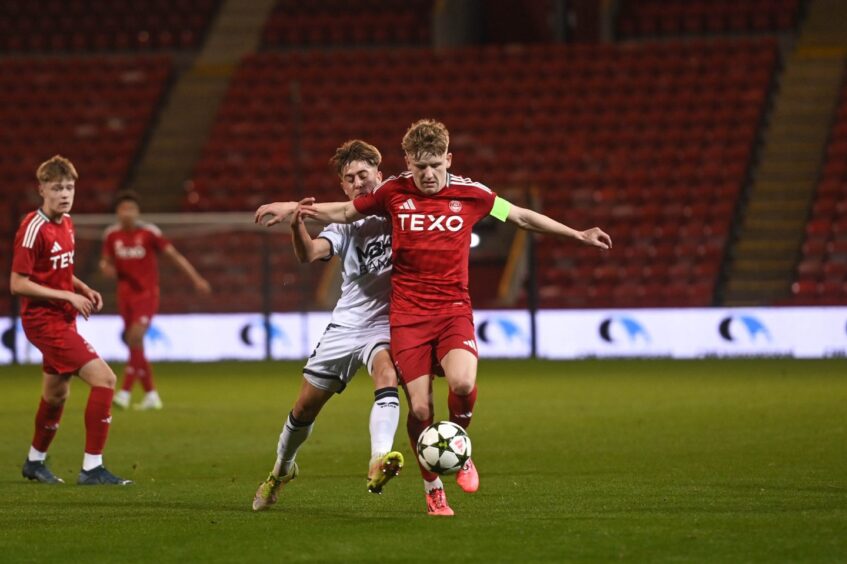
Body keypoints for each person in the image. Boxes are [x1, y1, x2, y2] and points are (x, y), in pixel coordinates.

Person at [258, 119, 612, 516]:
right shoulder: (387, 199)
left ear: (446, 160)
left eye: (434, 166)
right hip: (387, 319)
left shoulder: (467, 193)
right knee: (358, 409)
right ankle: (288, 471)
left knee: (438, 381)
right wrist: (293, 211)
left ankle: (424, 452)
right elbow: (332, 222)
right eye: (419, 167)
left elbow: (521, 217)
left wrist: (578, 234)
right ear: (406, 164)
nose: (427, 175)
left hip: (431, 314)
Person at [251, 140, 404, 512]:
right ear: (342, 186)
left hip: (386, 322)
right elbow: (310, 254)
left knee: (386, 374)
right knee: (304, 409)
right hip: (347, 324)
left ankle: (378, 460)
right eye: (349, 178)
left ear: (379, 175)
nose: (358, 182)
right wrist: (297, 227)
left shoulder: (401, 206)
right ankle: (280, 471)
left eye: (363, 174)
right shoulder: (344, 224)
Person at [11, 155, 132, 485]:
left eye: (69, 187)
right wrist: (68, 296)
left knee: (55, 395)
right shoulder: (32, 227)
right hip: (43, 321)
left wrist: (82, 286)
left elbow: (58, 270)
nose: (64, 194)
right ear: (41, 189)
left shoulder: (67, 223)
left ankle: (34, 462)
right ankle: (92, 468)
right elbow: (17, 282)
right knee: (105, 380)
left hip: (62, 318)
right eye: (56, 188)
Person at [100, 191, 211, 410]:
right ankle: (151, 394)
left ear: (138, 212)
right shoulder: (112, 235)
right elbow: (104, 261)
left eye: (131, 208)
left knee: (135, 336)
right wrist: (105, 268)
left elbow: (174, 256)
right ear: (117, 213)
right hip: (125, 296)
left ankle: (124, 392)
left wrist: (196, 279)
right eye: (123, 209)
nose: (127, 213)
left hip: (147, 294)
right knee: (135, 343)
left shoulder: (149, 233)